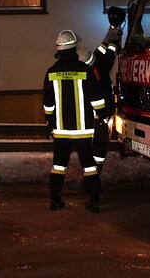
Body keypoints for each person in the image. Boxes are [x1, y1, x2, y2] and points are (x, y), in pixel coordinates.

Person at [43, 29, 107, 212]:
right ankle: (93, 201)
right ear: (74, 49)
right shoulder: (85, 70)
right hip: (83, 131)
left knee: (58, 165)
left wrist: (50, 121)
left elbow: (48, 103)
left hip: (61, 131)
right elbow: (96, 99)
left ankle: (55, 200)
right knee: (89, 165)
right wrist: (101, 115)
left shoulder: (52, 72)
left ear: (59, 50)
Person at [84, 9, 124, 173]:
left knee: (96, 147)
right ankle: (94, 174)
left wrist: (110, 34)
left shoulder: (89, 68)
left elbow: (101, 51)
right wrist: (115, 38)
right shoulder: (99, 72)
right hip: (100, 117)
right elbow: (109, 55)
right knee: (100, 146)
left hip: (94, 117)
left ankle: (93, 172)